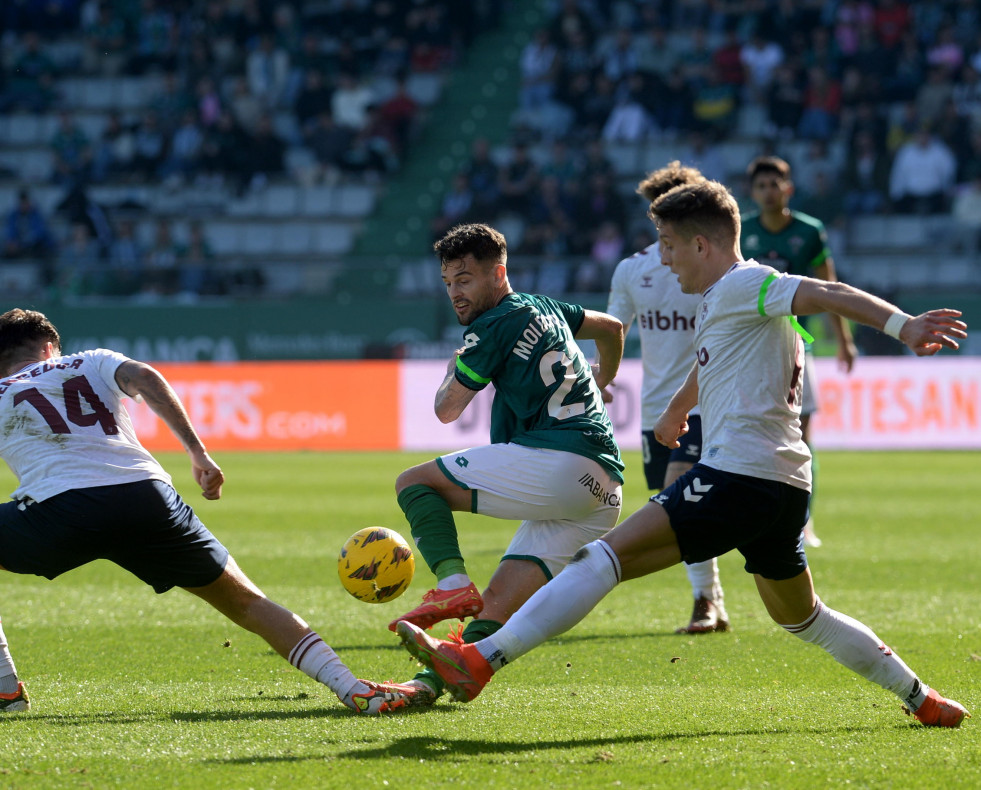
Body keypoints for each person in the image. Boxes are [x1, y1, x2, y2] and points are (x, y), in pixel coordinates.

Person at [396, 180, 971, 729]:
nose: (664, 261)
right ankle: (920, 697)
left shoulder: (748, 283)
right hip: (784, 484)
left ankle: (481, 661)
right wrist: (677, 409)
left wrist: (904, 325)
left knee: (599, 559)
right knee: (804, 617)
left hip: (738, 473)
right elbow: (716, 358)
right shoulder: (727, 302)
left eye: (669, 246)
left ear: (701, 243)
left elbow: (828, 291)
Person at [0, 309, 411, 715]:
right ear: (51, 347)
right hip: (146, 498)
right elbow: (145, 377)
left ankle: (5, 689)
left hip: (59, 511)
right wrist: (197, 453)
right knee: (249, 603)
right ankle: (352, 688)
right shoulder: (89, 360)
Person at [370, 223, 625, 707]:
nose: (455, 294)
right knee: (498, 604)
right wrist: (601, 379)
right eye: (447, 283)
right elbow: (612, 328)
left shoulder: (493, 324)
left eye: (465, 279)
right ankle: (433, 683)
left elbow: (447, 409)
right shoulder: (547, 307)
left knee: (414, 483)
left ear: (498, 273)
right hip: (603, 491)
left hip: (560, 460)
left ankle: (449, 586)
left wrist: (454, 364)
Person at [606, 162, 728, 634]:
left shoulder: (714, 266)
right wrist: (604, 375)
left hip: (707, 405)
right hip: (655, 410)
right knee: (676, 507)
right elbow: (615, 329)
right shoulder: (634, 270)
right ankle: (713, 600)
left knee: (678, 502)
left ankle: (704, 603)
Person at [739, 156, 858, 548]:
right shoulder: (742, 231)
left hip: (796, 348)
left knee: (803, 438)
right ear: (752, 192)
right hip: (751, 347)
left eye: (776, 184)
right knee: (750, 435)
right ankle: (754, 516)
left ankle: (803, 520)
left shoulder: (809, 231)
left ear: (789, 188)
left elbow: (830, 288)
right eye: (762, 186)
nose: (769, 191)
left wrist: (843, 340)